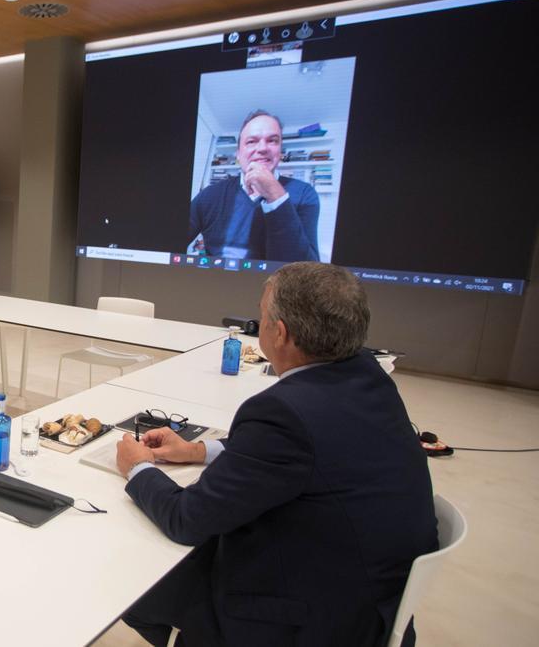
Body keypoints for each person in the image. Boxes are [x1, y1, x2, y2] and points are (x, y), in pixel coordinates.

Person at [114, 262, 436, 647]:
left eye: (262, 317)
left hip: (313, 620)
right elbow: (306, 451)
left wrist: (138, 469)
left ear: (279, 333)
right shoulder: (370, 379)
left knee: (140, 563)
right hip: (374, 597)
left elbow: (188, 518)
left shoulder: (283, 411)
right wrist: (199, 450)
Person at [188, 110, 320, 262]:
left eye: (273, 140)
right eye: (251, 141)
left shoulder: (305, 194)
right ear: (238, 153)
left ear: (280, 151)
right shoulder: (210, 195)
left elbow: (308, 269)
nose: (263, 148)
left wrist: (275, 195)